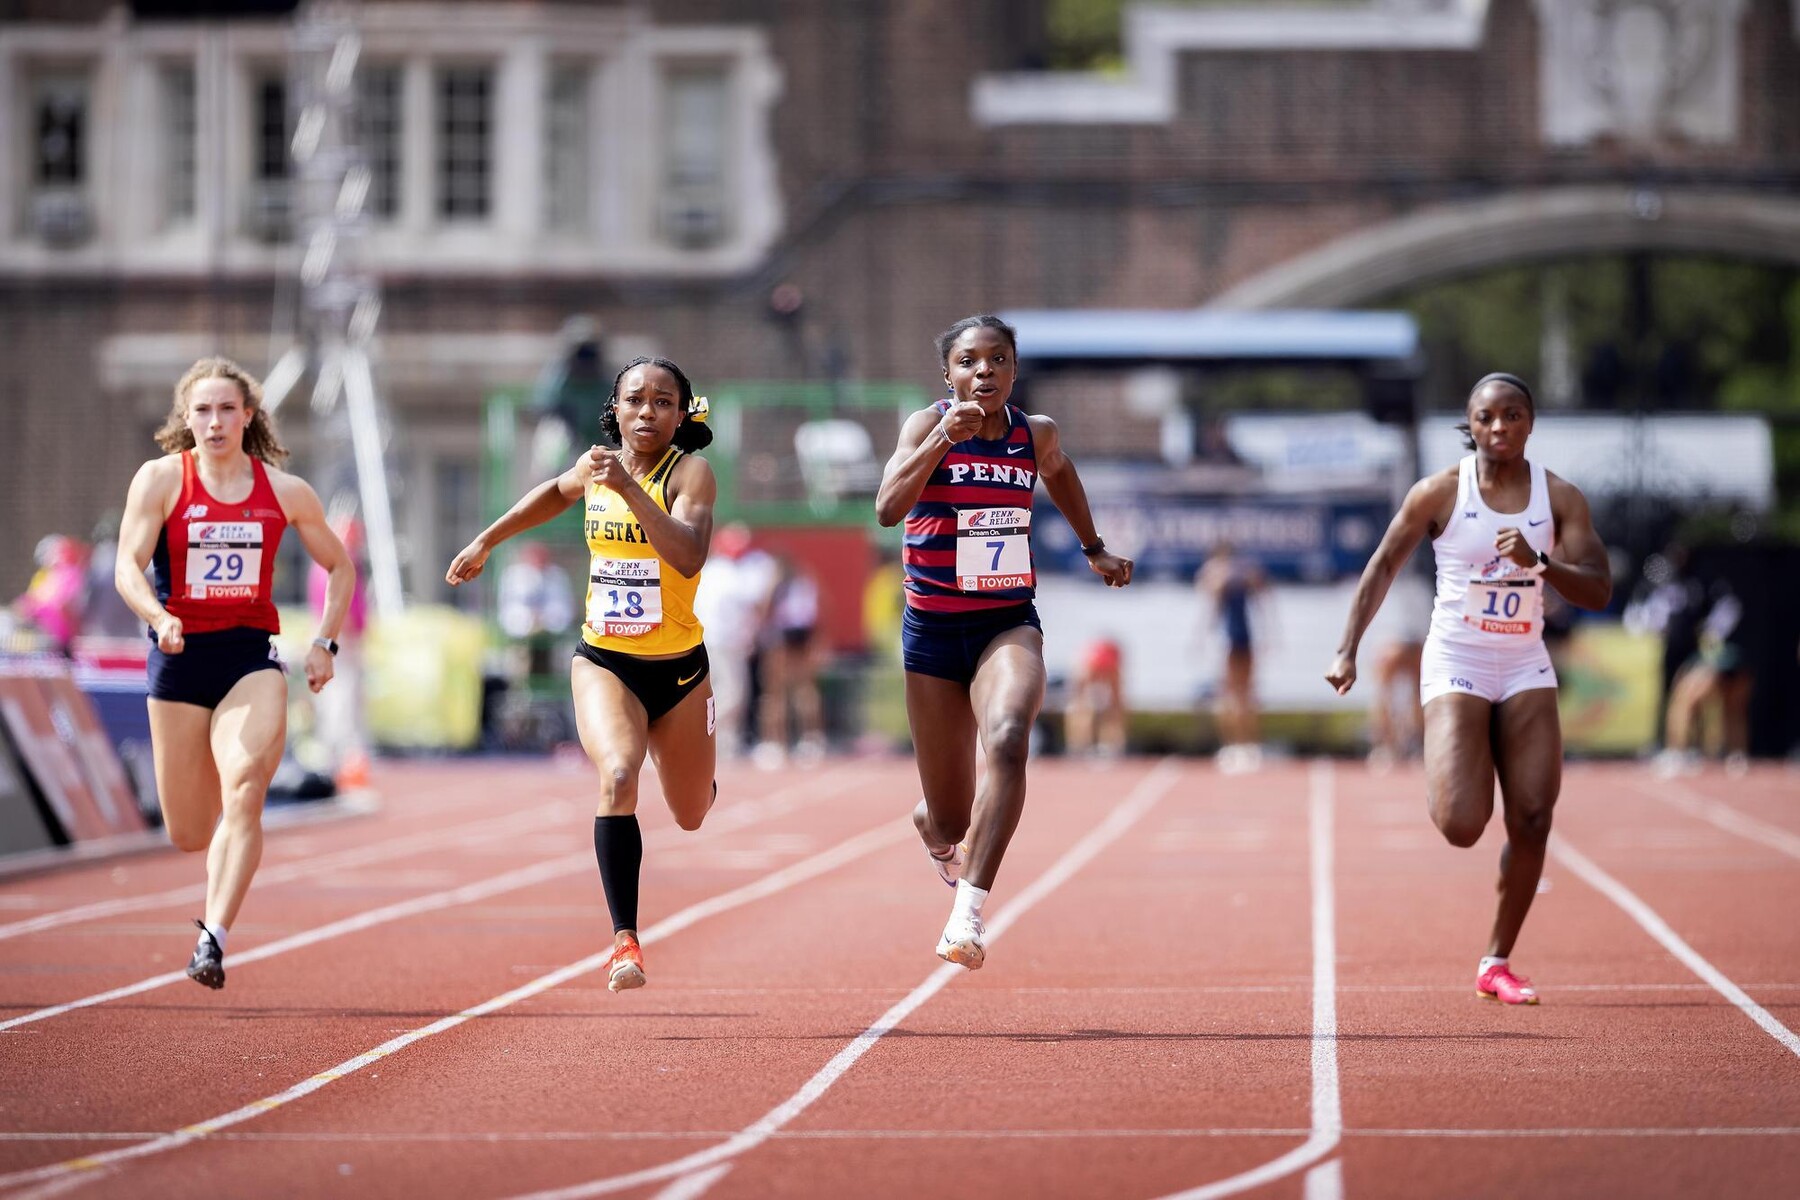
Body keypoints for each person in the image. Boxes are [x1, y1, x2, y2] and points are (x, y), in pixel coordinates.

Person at [1327, 372, 1611, 1005]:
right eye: (1488, 417)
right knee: (1461, 823)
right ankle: (1471, 747)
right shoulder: (1440, 493)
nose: (1500, 427)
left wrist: (1540, 563)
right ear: (1471, 423)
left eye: (1513, 415)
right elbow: (1382, 566)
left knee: (1534, 817)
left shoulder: (1558, 497)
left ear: (1530, 423)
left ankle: (1496, 960)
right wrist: (1348, 647)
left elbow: (1598, 588)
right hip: (1458, 659)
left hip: (1524, 663)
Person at [447, 356, 717, 993]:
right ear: (615, 410)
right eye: (634, 400)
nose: (646, 412)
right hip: (606, 661)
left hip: (679, 672)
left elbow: (686, 557)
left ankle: (697, 774)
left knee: (689, 815)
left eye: (661, 402)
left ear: (680, 414)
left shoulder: (691, 474)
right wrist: (487, 540)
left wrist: (627, 489)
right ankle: (625, 940)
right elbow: (553, 493)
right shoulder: (596, 465)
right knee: (619, 774)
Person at [876, 314, 1133, 970]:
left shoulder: (1032, 434)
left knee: (1012, 739)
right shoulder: (923, 424)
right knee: (949, 819)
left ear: (1014, 372)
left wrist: (1094, 548)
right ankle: (935, 834)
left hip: (1006, 621)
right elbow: (886, 507)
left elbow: (1061, 471)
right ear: (948, 374)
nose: (983, 371)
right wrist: (939, 438)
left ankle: (967, 915)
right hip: (932, 633)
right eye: (968, 361)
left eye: (997, 360)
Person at [114, 357, 355, 990]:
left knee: (246, 784)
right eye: (202, 411)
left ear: (248, 416)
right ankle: (219, 856)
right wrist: (157, 616)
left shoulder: (283, 490)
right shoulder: (162, 480)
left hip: (250, 658)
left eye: (226, 409)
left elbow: (341, 567)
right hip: (177, 659)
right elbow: (126, 567)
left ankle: (212, 938)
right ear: (185, 420)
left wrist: (325, 642)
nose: (215, 422)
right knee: (190, 831)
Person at [691, 522, 776, 759]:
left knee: (720, 693)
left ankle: (723, 743)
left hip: (711, 641)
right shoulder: (727, 574)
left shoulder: (712, 570)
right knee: (732, 694)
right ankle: (700, 735)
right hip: (722, 642)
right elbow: (750, 608)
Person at [1195, 541, 1269, 773]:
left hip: (1244, 636)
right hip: (1226, 638)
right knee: (1228, 696)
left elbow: (1262, 589)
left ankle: (1249, 745)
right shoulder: (1215, 575)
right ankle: (1231, 745)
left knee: (1247, 695)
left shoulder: (1245, 573)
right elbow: (1208, 598)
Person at [757, 556, 826, 763]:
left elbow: (765, 610)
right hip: (800, 634)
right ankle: (810, 740)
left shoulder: (779, 584)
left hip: (784, 634)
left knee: (776, 692)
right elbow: (817, 613)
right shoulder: (805, 583)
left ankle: (776, 743)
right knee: (803, 690)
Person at [1064, 637, 1127, 759]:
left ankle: (1105, 745)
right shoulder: (1088, 666)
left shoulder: (1106, 664)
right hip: (1094, 660)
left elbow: (1117, 702)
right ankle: (1080, 746)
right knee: (1081, 707)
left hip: (1102, 659)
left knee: (1111, 707)